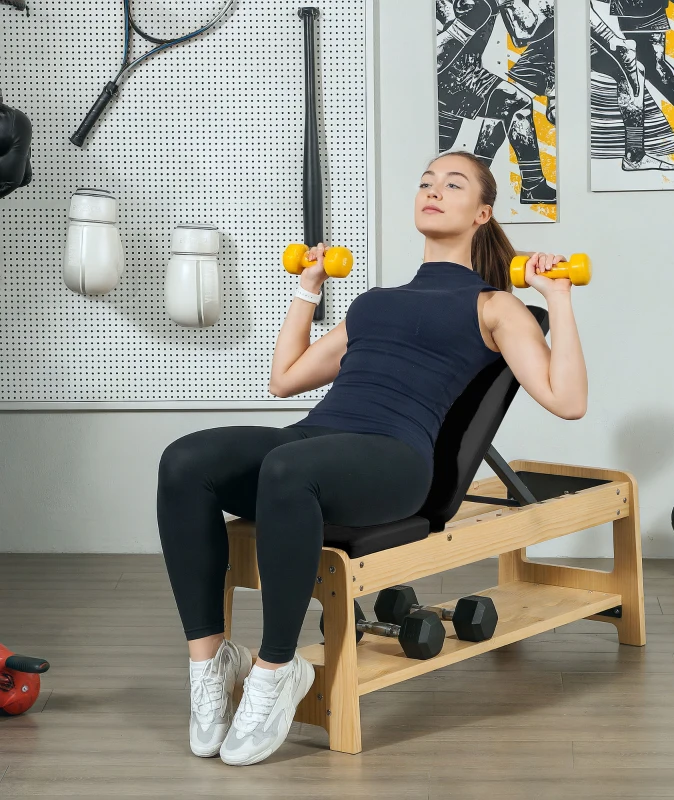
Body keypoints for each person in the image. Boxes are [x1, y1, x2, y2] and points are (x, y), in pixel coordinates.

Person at [156, 150, 588, 767]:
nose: (433, 191)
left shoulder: (496, 306)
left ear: (482, 212)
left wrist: (560, 297)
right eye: (425, 182)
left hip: (396, 462)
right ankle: (209, 661)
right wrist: (309, 287)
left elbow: (566, 400)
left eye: (453, 184)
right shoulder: (374, 303)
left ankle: (277, 670)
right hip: (317, 441)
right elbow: (285, 380)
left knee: (288, 470)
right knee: (183, 460)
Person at [436, 0, 556, 203]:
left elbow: (524, 34)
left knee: (511, 105)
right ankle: (531, 184)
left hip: (467, 70)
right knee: (516, 103)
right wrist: (469, 18)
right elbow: (436, 55)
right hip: (449, 75)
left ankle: (481, 181)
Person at [598, 0, 674, 170]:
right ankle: (635, 153)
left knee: (651, 67)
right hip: (629, 9)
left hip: (640, 8)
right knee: (644, 68)